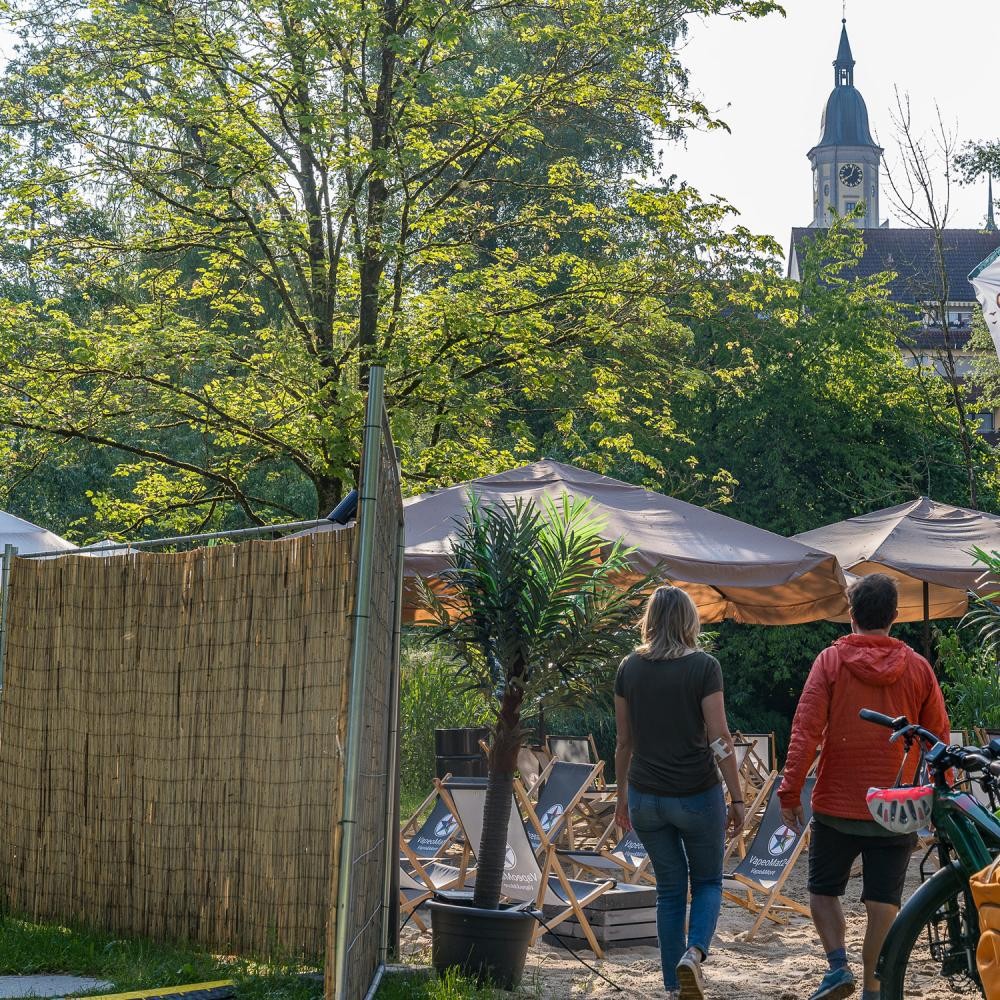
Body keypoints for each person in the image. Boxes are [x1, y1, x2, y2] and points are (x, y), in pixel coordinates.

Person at [779, 573, 950, 1000]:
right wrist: (940, 795)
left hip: (838, 803)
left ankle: (837, 966)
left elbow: (806, 731)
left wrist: (789, 790)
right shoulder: (918, 668)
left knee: (821, 890)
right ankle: (873, 987)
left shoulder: (830, 662)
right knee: (883, 901)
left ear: (851, 614)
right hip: (896, 809)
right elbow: (938, 740)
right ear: (895, 616)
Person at [614, 585, 745, 1000]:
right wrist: (738, 796)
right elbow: (719, 737)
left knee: (670, 889)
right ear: (689, 621)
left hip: (645, 797)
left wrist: (621, 800)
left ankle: (673, 988)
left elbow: (623, 743)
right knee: (707, 882)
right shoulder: (704, 667)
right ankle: (693, 955)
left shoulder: (628, 668)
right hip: (695, 794)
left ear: (650, 620)